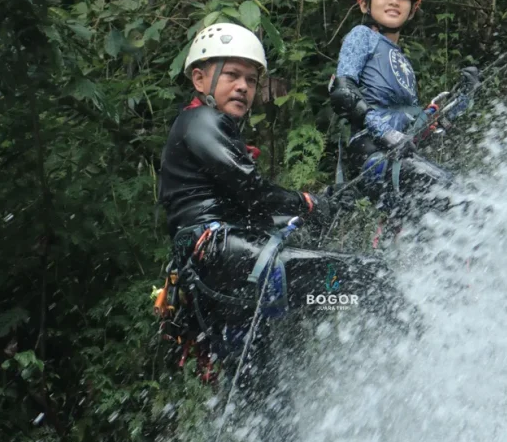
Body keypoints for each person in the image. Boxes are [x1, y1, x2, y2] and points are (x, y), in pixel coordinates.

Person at [156, 22, 390, 375]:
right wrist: (306, 203)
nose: (243, 87)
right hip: (224, 254)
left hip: (221, 272)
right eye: (232, 75)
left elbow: (250, 204)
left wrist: (313, 206)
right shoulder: (200, 120)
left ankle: (350, 309)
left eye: (251, 81)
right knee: (371, 276)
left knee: (261, 384)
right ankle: (421, 345)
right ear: (200, 79)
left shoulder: (204, 129)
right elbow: (251, 188)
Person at [329, 0, 479, 213]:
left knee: (451, 209)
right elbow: (343, 92)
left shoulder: (402, 60)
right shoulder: (362, 37)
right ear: (366, 3)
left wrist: (462, 99)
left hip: (400, 156)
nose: (393, 2)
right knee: (459, 198)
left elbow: (414, 127)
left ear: (412, 8)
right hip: (374, 155)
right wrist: (385, 133)